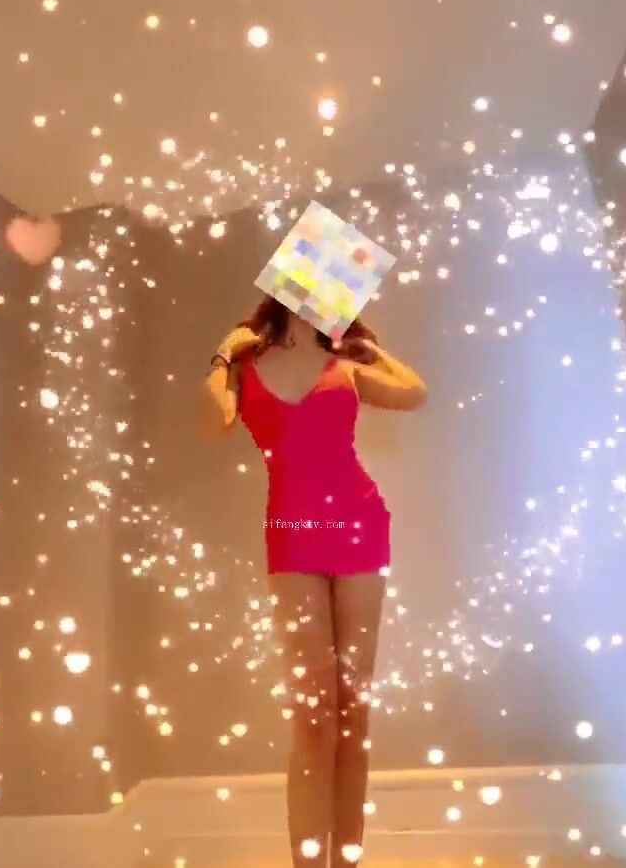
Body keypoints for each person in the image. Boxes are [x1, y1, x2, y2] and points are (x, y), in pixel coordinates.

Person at [200, 294, 427, 867]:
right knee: (313, 715)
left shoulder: (345, 365)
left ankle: (347, 863)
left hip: (359, 523)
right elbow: (215, 423)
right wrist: (222, 357)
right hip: (294, 532)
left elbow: (414, 393)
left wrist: (373, 351)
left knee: (354, 710)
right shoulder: (246, 365)